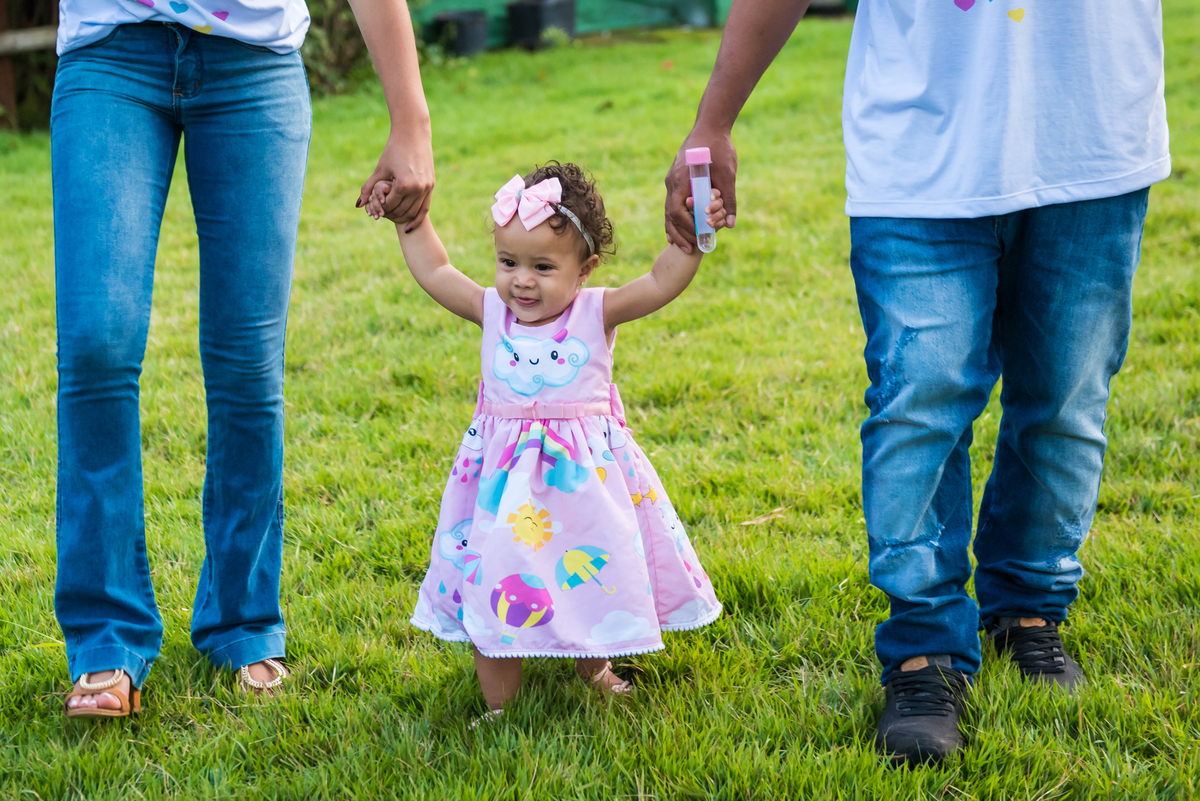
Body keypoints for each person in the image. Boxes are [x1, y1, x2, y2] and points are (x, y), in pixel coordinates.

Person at [665, 0, 1169, 765]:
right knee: (918, 409)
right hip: (917, 153)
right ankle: (924, 648)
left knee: (1065, 403)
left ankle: (1030, 606)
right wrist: (714, 121)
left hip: (1095, 140)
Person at [54, 0, 435, 718]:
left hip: (254, 64)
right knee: (97, 341)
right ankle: (107, 635)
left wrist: (410, 120)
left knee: (248, 360)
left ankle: (242, 619)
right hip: (110, 56)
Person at [366, 163, 726, 718]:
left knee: (587, 577)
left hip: (582, 491)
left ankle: (595, 670)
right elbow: (436, 270)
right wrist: (408, 221)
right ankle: (500, 708)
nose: (521, 281)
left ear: (585, 270)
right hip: (502, 494)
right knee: (494, 578)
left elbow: (660, 283)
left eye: (542, 267)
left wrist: (697, 234)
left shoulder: (596, 312)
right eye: (508, 262)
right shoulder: (491, 311)